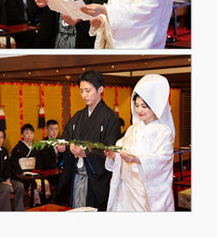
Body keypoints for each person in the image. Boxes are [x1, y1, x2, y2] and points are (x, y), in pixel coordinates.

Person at [105, 74, 174, 211]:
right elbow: (121, 149)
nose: (139, 110)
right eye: (136, 105)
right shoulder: (132, 129)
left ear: (154, 107)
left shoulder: (164, 132)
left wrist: (138, 159)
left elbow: (163, 158)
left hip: (148, 190)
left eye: (144, 106)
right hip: (128, 187)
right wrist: (114, 154)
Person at [56, 70, 120, 210]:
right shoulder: (78, 116)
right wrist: (63, 148)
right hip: (76, 176)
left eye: (88, 90)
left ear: (100, 89)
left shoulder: (110, 118)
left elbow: (111, 150)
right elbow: (66, 139)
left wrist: (87, 154)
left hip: (96, 180)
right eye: (81, 91)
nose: (84, 95)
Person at [36, 119, 64, 203]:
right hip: (48, 173)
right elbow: (46, 163)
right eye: (52, 129)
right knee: (63, 178)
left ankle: (64, 203)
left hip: (59, 172)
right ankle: (56, 203)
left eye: (56, 129)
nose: (54, 132)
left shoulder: (61, 142)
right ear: (47, 130)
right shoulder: (42, 144)